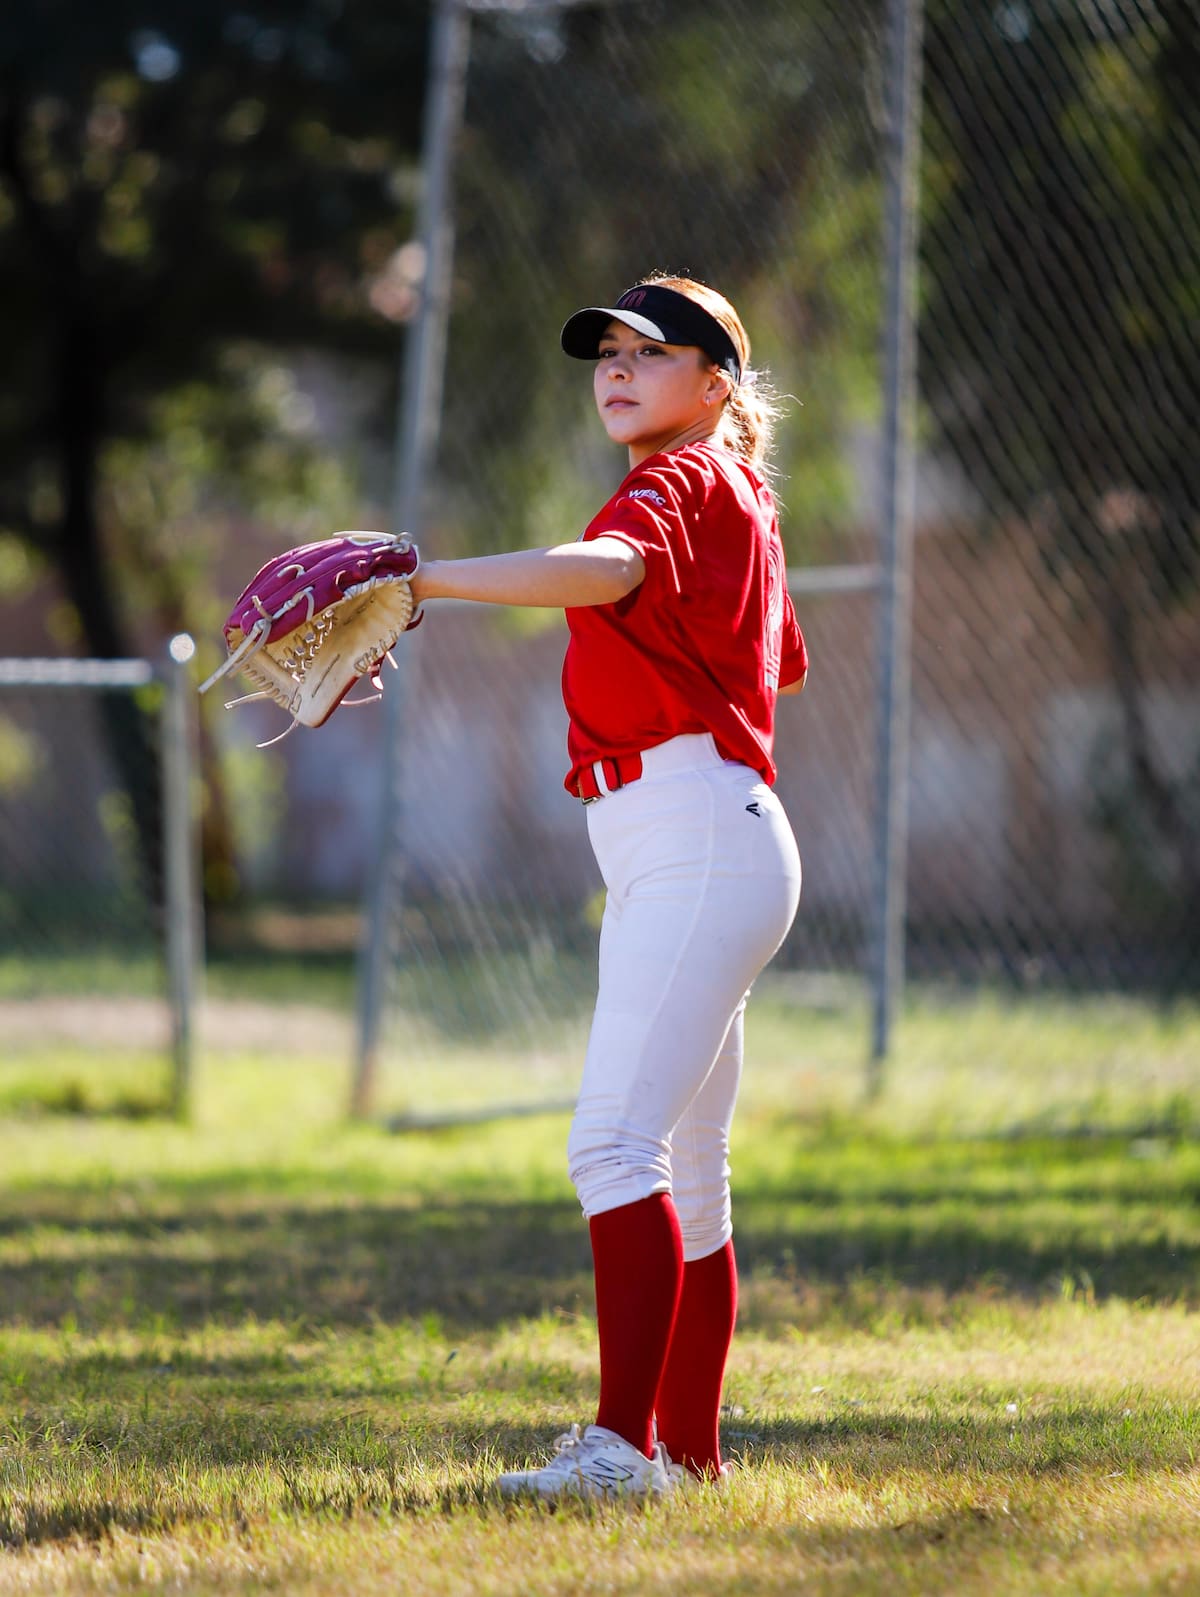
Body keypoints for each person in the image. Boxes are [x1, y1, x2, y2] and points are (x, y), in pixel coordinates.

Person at [407, 274, 808, 1499]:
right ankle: (685, 1453)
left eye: (652, 350)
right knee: (688, 1160)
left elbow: (603, 570)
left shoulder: (679, 480)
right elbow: (772, 662)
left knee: (612, 1144)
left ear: (717, 383)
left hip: (692, 833)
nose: (619, 368)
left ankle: (622, 1449)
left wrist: (423, 578)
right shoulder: (733, 492)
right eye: (606, 353)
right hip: (695, 834)